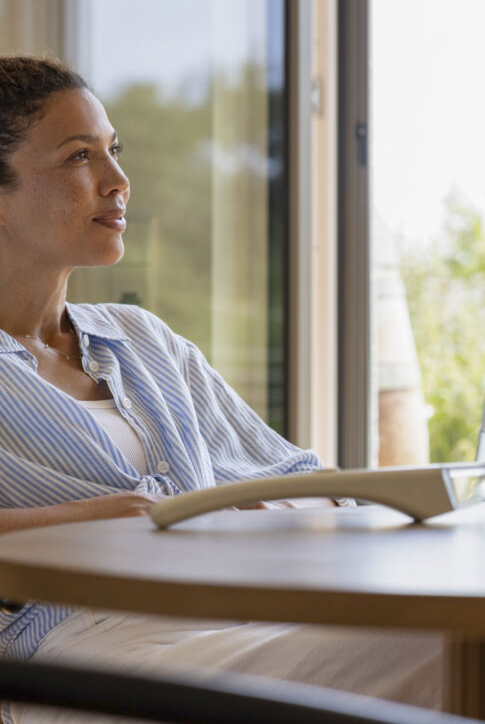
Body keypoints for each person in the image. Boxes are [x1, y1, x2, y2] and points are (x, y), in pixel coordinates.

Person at [0, 56, 441, 724]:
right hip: (85, 662)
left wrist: (294, 513)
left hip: (233, 620)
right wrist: (104, 520)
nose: (118, 182)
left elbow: (298, 479)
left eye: (114, 152)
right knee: (452, 659)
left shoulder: (142, 341)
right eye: (78, 157)